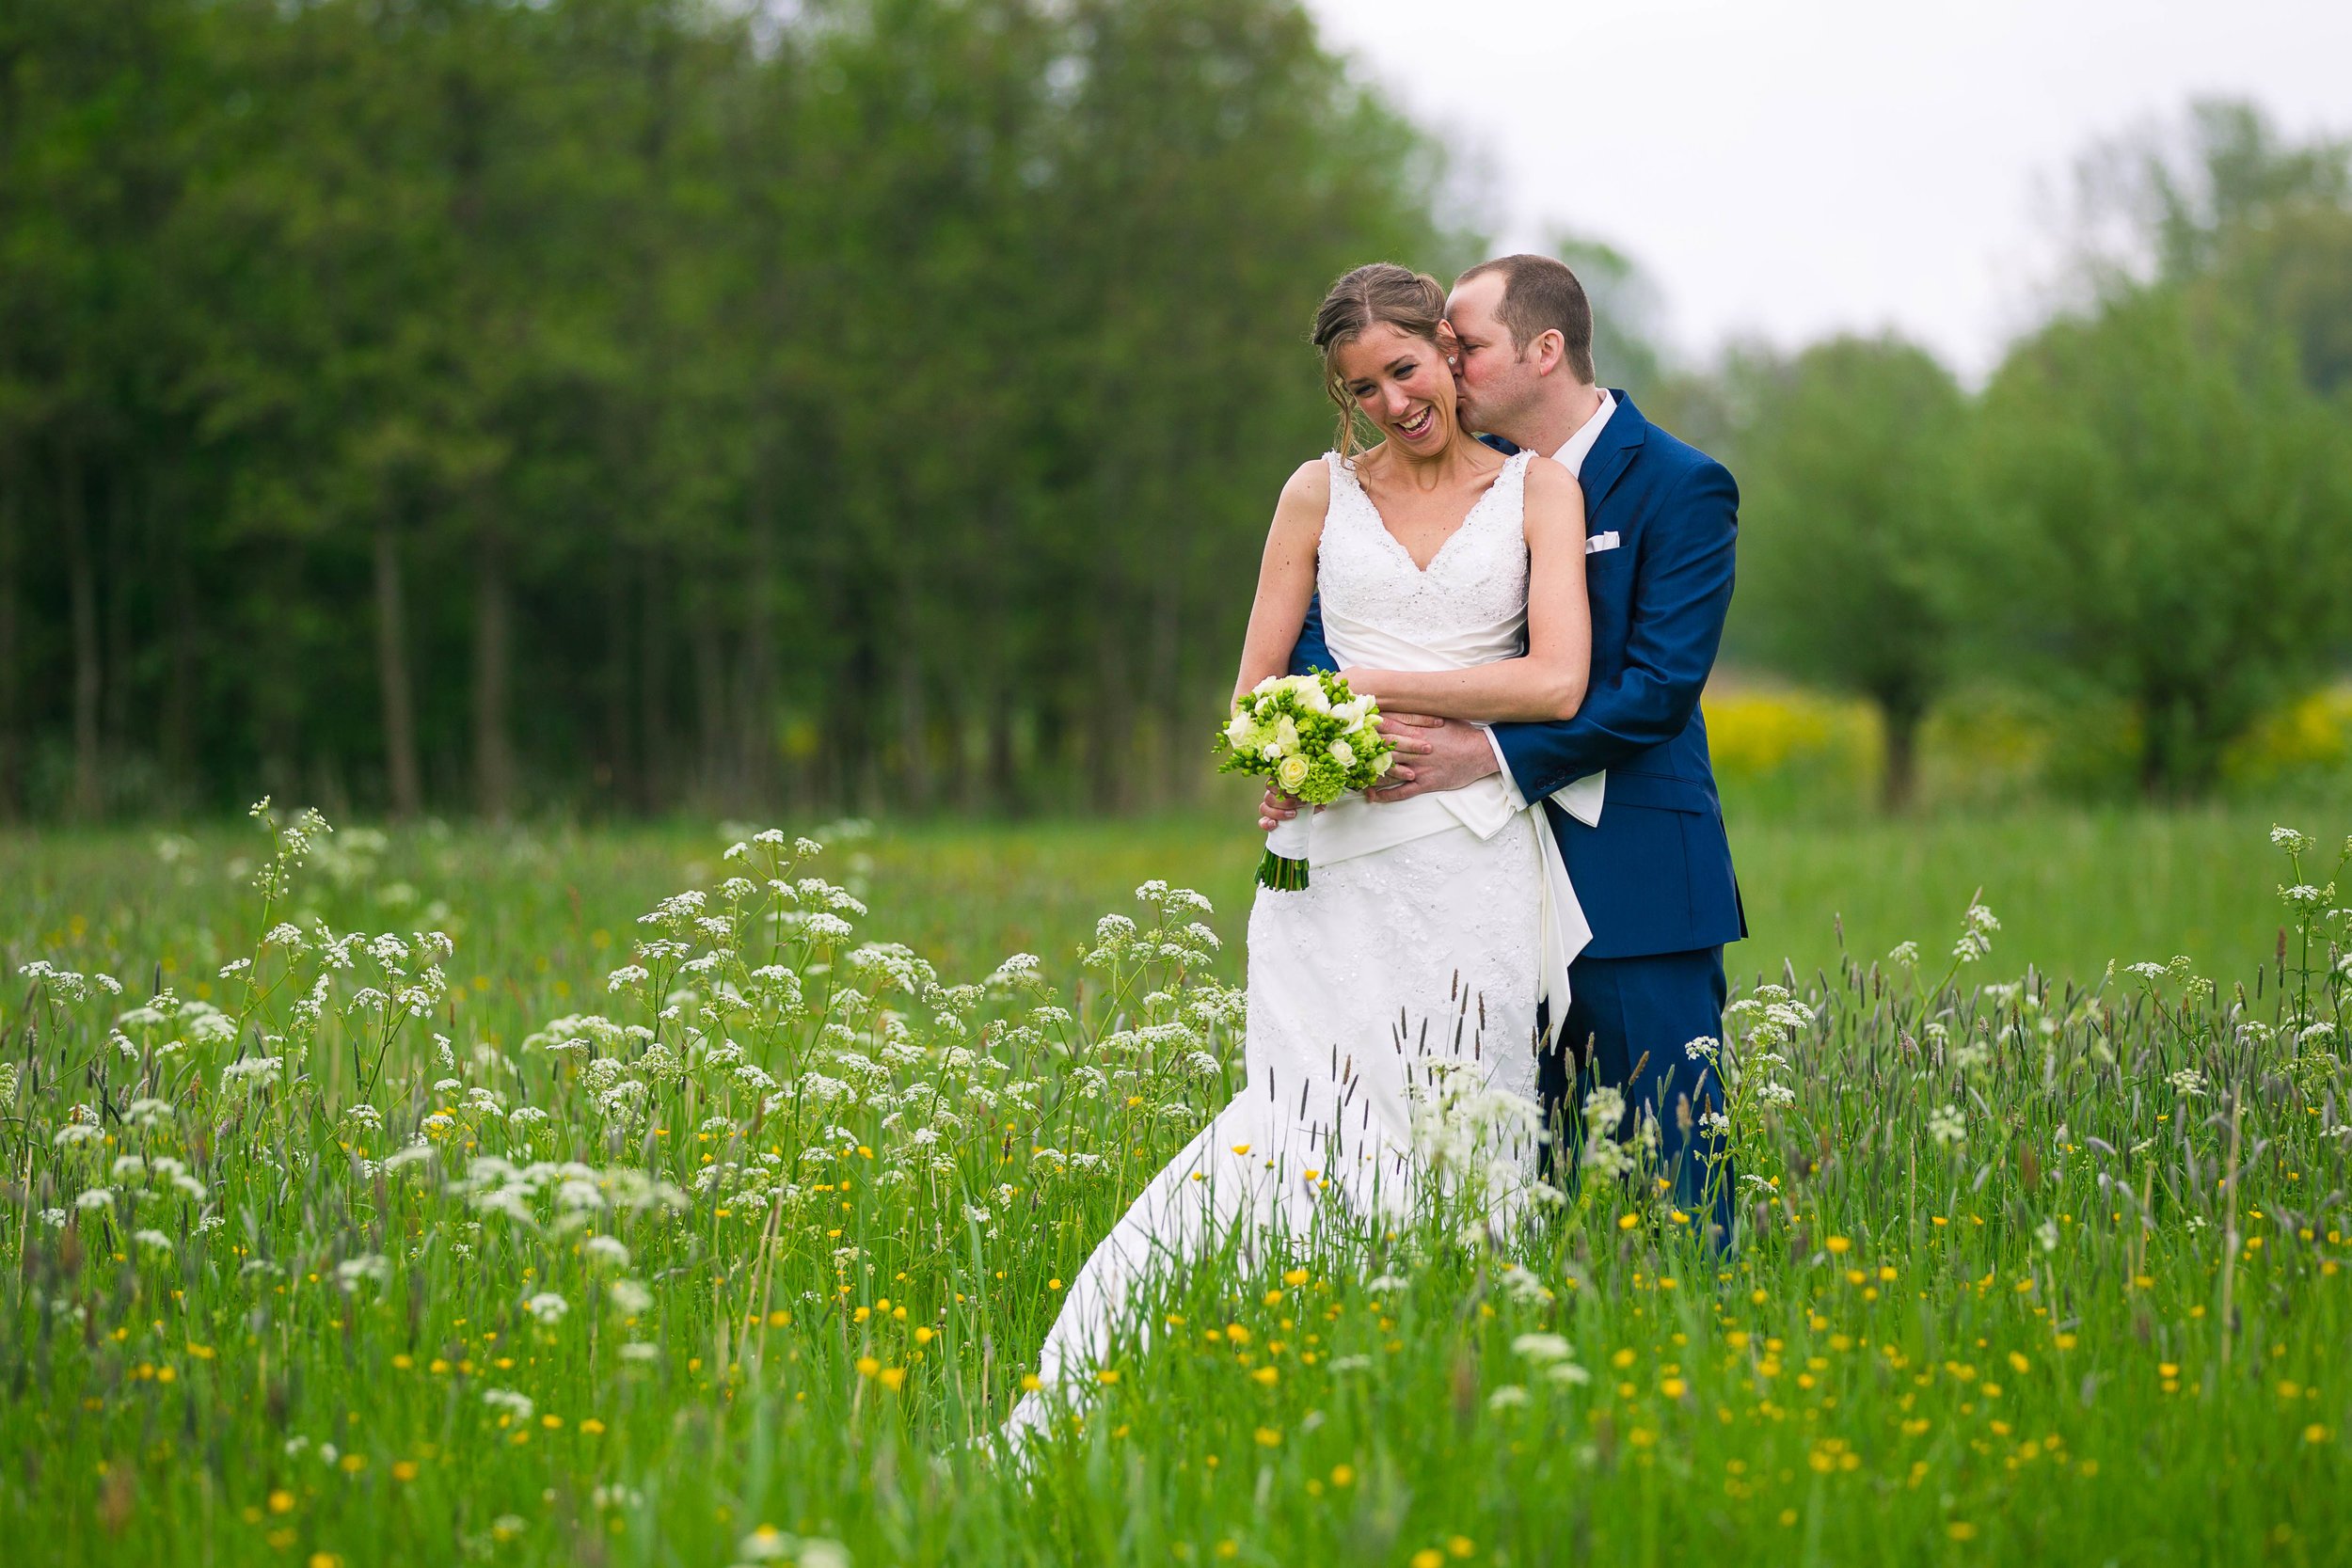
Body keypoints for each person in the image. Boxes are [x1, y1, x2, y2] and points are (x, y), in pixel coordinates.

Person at [1002, 262, 1595, 1447]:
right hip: (1331, 866)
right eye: (1359, 386)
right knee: (1301, 1117)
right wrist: (1283, 750)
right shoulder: (1313, 496)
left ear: (1449, 351)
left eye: (1404, 370)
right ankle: (1177, 1376)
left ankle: (1452, 1394)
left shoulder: (1537, 491)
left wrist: (1362, 683)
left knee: (1462, 1121)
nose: (1389, 401)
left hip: (1471, 862)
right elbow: (1251, 692)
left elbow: (1556, 679)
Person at [1276, 253, 1746, 1247]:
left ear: (1542, 349)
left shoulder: (1678, 484)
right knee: (1498, 1169)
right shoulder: (1440, 471)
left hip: (1629, 876)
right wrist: (1312, 745)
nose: (1442, 362)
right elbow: (1338, 622)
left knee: (1671, 1161)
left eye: (1463, 344)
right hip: (1458, 884)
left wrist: (1488, 754)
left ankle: (1699, 1350)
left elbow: (1657, 690)